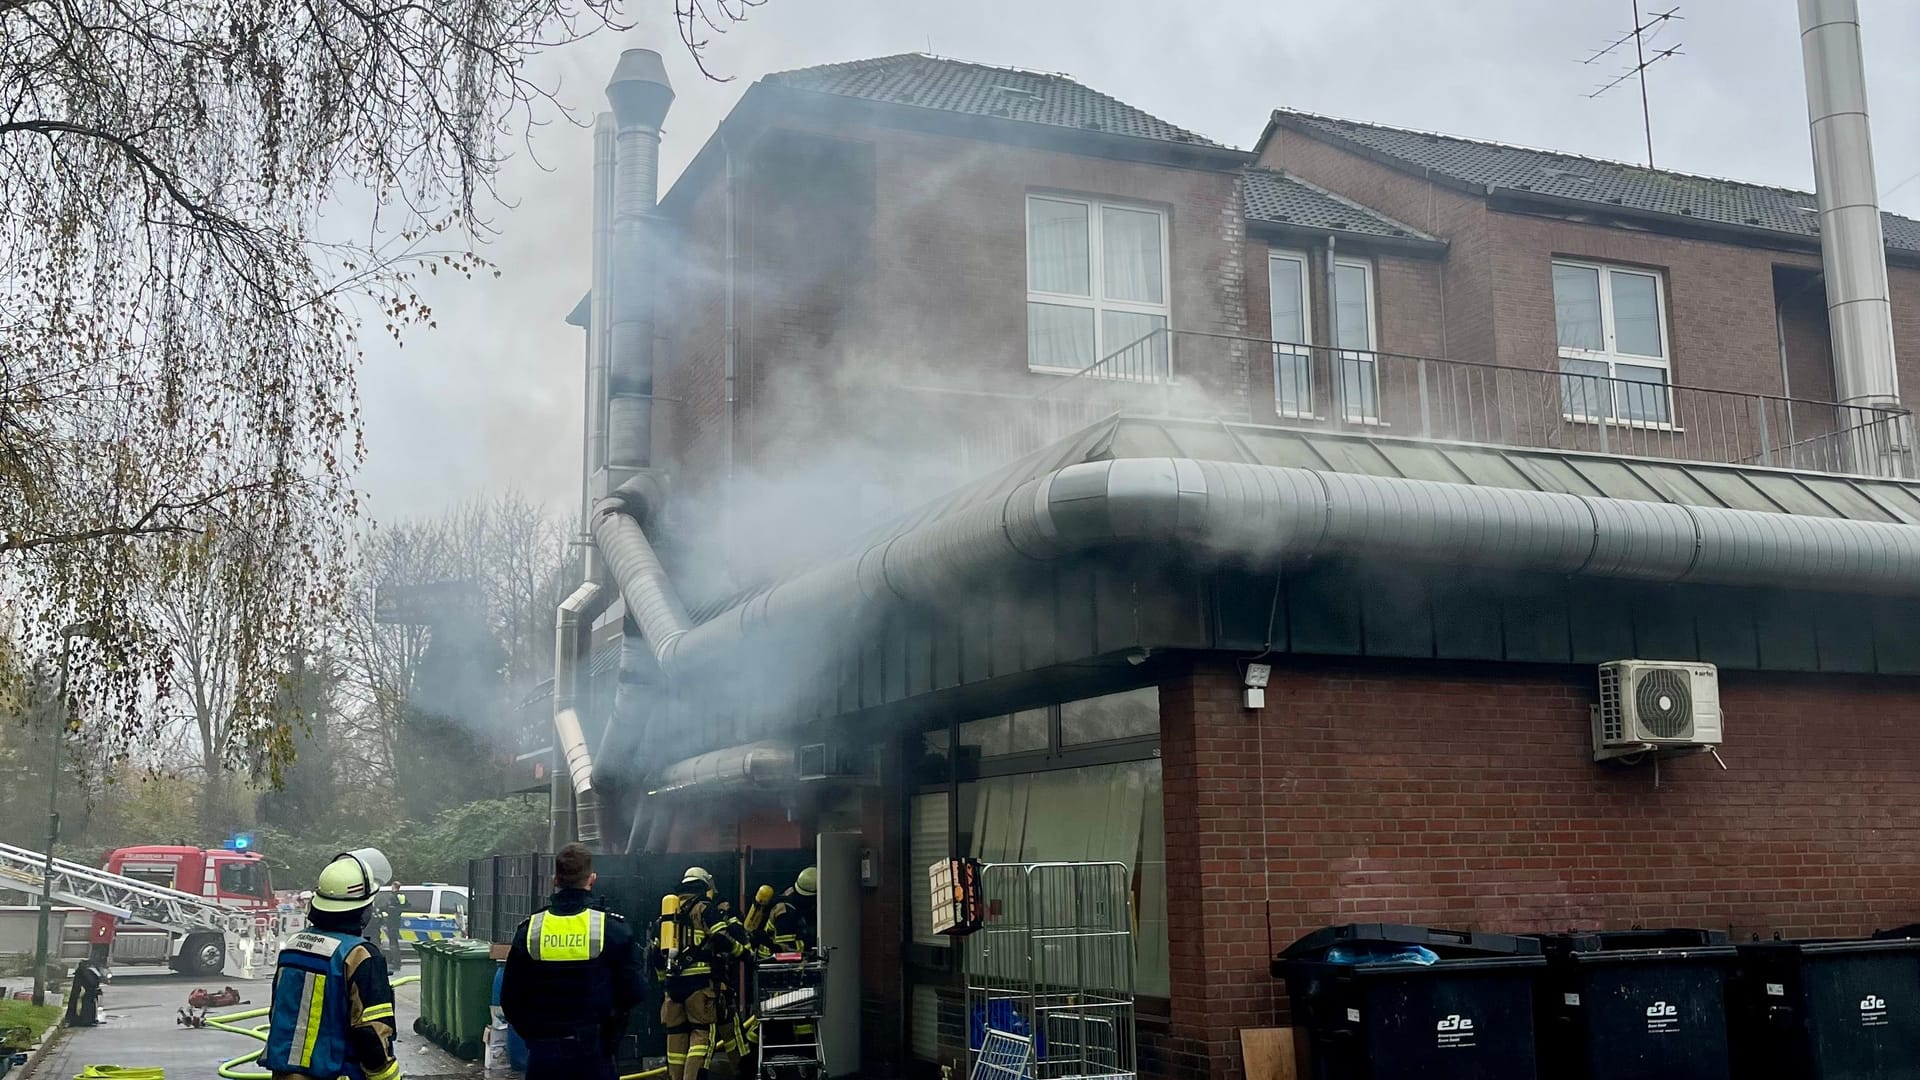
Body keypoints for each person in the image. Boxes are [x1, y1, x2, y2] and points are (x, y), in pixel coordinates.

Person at [501, 843, 644, 1080]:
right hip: (594, 1055)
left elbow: (511, 999)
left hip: (544, 1056)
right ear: (591, 879)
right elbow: (634, 991)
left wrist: (535, 1038)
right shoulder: (611, 928)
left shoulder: (531, 930)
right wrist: (610, 1035)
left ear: (554, 880)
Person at [262, 848, 401, 1080]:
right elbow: (371, 1037)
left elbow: (278, 1013)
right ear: (361, 909)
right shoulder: (360, 955)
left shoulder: (294, 946)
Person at [651, 867, 752, 1080]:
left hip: (673, 988)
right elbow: (721, 938)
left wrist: (663, 981)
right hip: (700, 986)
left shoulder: (667, 915)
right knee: (701, 1034)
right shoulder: (704, 908)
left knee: (676, 1037)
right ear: (703, 886)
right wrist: (744, 954)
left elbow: (655, 955)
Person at [62, 956, 104, 1028]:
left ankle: (79, 1019)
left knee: (79, 1004)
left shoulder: (82, 972)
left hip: (83, 993)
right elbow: (95, 982)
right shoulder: (91, 971)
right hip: (89, 993)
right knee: (87, 1004)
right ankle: (87, 1020)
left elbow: (77, 988)